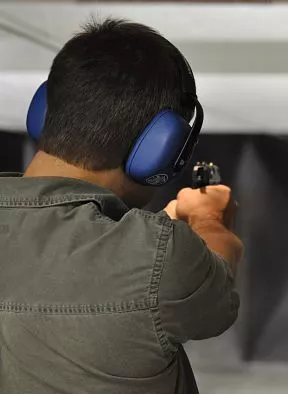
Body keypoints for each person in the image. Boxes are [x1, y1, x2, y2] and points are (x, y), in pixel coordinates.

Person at [0, 18, 243, 394]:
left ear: (43, 111)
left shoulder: (152, 256)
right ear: (161, 151)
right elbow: (218, 295)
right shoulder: (161, 259)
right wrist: (209, 219)